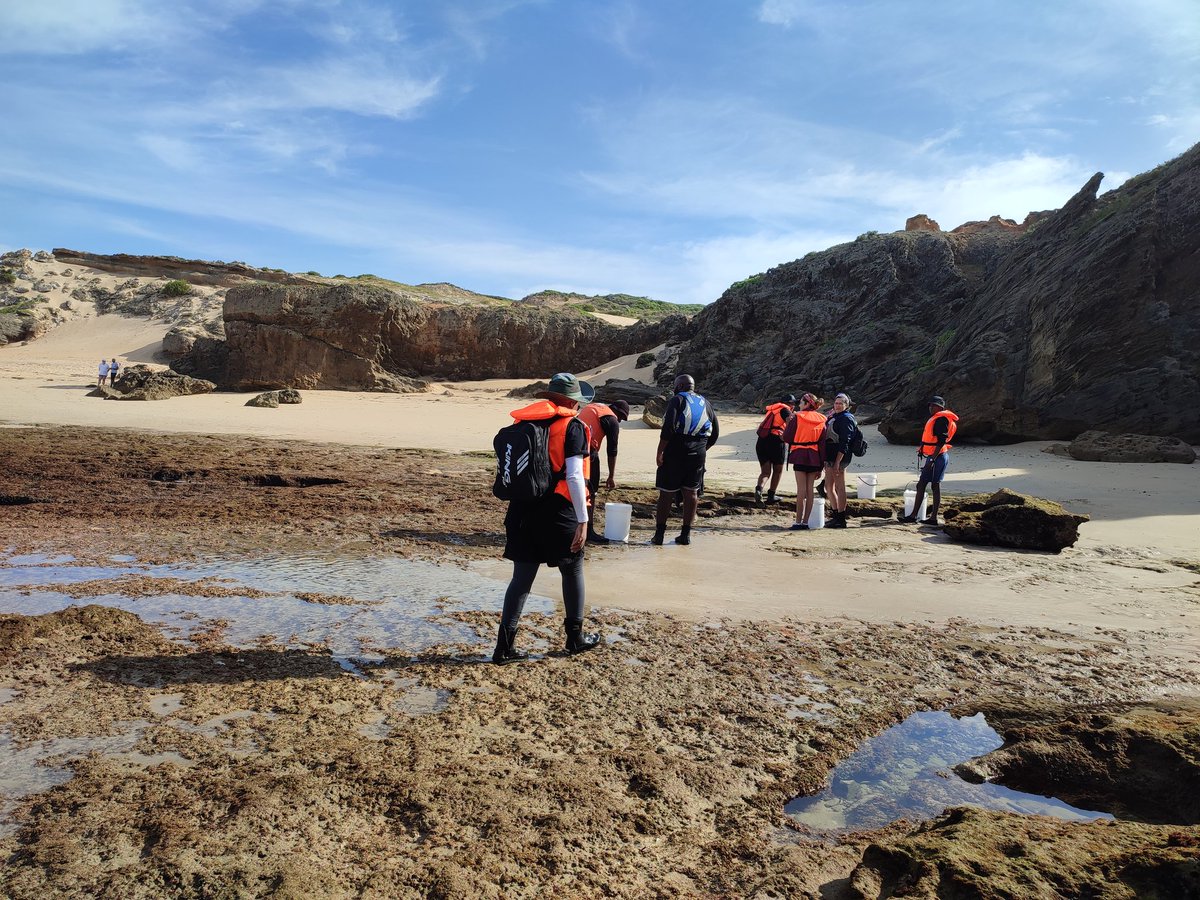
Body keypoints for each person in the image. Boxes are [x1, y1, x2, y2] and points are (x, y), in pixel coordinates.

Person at [493, 372, 603, 665]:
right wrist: (583, 520)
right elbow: (575, 476)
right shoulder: (573, 426)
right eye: (577, 402)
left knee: (521, 579)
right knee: (573, 570)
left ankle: (504, 647)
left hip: (522, 509)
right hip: (558, 511)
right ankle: (575, 639)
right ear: (570, 401)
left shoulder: (523, 422)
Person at [652, 374, 719, 546]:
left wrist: (660, 451)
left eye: (675, 386)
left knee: (666, 492)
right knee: (691, 492)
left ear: (680, 386)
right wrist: (702, 449)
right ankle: (685, 535)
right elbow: (715, 432)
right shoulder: (706, 403)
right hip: (698, 451)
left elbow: (668, 427)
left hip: (676, 449)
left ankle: (659, 535)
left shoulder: (677, 399)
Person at [575, 398, 631, 544]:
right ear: (616, 411)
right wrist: (611, 476)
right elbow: (612, 450)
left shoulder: (594, 407)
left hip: (571, 449)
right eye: (621, 418)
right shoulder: (611, 420)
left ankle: (573, 526)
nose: (619, 422)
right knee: (590, 492)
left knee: (573, 488)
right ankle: (589, 531)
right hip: (588, 453)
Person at [899, 395, 959, 527]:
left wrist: (932, 459)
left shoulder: (941, 420)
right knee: (923, 484)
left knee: (933, 485)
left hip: (938, 457)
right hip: (935, 456)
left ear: (940, 407)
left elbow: (941, 440)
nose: (931, 407)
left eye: (934, 405)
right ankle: (917, 516)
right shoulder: (938, 418)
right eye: (930, 405)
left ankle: (930, 517)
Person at [782, 393, 826, 530]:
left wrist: (788, 425)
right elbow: (823, 444)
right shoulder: (822, 419)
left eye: (801, 402)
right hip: (814, 456)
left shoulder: (797, 417)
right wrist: (821, 466)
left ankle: (797, 522)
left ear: (806, 404)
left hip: (800, 454)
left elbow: (787, 437)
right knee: (809, 490)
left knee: (801, 490)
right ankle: (806, 522)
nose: (799, 405)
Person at [822, 393, 857, 528]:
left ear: (846, 405)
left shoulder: (846, 419)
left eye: (840, 403)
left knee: (839, 487)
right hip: (830, 455)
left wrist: (838, 461)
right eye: (836, 403)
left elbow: (845, 442)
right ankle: (835, 514)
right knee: (828, 487)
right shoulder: (834, 417)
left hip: (840, 457)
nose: (837, 405)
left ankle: (841, 518)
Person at [754, 394, 796, 504]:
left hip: (762, 441)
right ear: (791, 404)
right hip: (776, 442)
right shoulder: (785, 410)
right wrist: (788, 436)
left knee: (765, 472)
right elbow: (790, 424)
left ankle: (759, 489)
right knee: (777, 471)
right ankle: (771, 495)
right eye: (793, 404)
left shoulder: (773, 409)